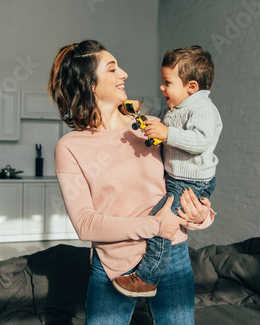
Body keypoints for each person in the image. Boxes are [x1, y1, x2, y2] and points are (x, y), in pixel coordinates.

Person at [49, 40, 216, 325]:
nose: (124, 73)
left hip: (172, 255)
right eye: (112, 69)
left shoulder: (151, 127)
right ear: (89, 83)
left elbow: (183, 180)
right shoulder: (70, 147)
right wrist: (155, 226)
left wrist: (201, 216)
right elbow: (85, 224)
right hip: (114, 262)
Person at [113, 45, 222, 297]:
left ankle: (147, 278)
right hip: (176, 179)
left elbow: (200, 141)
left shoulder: (203, 109)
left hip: (191, 183)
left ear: (191, 87)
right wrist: (140, 108)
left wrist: (167, 134)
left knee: (161, 225)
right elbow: (162, 117)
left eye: (167, 83)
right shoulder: (178, 107)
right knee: (157, 221)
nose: (162, 88)